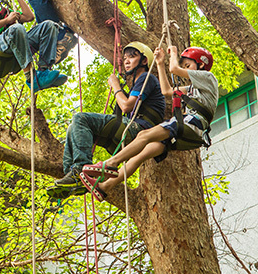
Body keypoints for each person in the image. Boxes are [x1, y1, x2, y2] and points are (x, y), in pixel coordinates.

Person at [79, 45, 218, 202]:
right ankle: (105, 187)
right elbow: (166, 91)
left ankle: (110, 163)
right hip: (191, 133)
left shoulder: (208, 78)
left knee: (144, 135)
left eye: (188, 65)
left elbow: (173, 69)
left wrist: (174, 54)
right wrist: (159, 63)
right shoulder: (195, 88)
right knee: (140, 155)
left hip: (191, 124)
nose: (185, 70)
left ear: (201, 65)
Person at [46, 42, 165, 200]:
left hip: (138, 131)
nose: (126, 61)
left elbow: (127, 106)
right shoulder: (138, 84)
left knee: (80, 118)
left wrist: (116, 86)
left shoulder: (146, 77)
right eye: (125, 58)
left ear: (144, 61)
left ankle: (80, 169)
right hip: (128, 137)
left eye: (132, 56)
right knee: (73, 127)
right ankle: (72, 175)